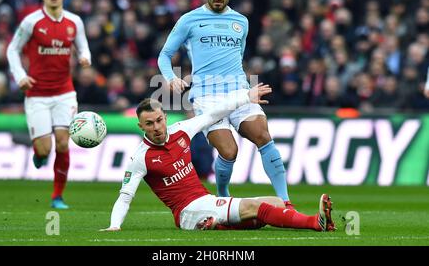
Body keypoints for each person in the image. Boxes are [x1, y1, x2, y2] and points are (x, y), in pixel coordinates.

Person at [100, 85, 335, 232]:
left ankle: (218, 225)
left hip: (205, 201)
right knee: (256, 207)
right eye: (149, 124)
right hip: (187, 212)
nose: (157, 127)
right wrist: (114, 225)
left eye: (160, 120)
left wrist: (246, 96)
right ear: (140, 126)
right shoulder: (141, 157)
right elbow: (125, 195)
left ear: (164, 117)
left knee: (275, 203)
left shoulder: (181, 130)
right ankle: (315, 222)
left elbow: (214, 113)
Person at [157, 0, 293, 208]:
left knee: (263, 136)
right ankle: (222, 192)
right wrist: (171, 78)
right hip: (207, 97)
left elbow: (237, 57)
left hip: (240, 92)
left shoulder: (241, 21)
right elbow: (164, 55)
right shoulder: (189, 20)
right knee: (229, 151)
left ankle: (286, 201)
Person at [6, 0, 92, 209]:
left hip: (64, 92)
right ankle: (39, 153)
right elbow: (12, 50)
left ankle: (57, 196)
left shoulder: (74, 22)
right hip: (37, 95)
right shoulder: (31, 22)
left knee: (63, 144)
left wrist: (85, 57)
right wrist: (21, 76)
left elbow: (83, 45)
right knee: (46, 148)